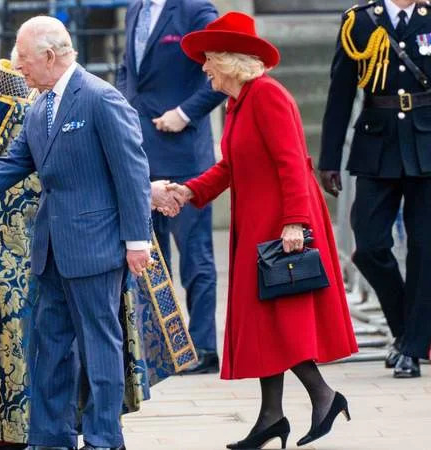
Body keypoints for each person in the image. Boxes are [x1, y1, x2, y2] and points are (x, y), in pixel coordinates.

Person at [0, 52, 198, 450]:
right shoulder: (39, 105)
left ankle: (103, 439)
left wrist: (137, 242)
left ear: (49, 55)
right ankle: (51, 439)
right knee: (52, 349)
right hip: (50, 251)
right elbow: (14, 163)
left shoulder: (100, 97)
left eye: (24, 57)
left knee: (99, 347)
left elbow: (128, 169)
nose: (18, 65)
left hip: (95, 248)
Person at [155, 12, 359, 448]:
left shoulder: (267, 95)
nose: (203, 67)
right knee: (265, 320)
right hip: (259, 223)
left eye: (209, 59)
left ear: (228, 60)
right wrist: (189, 191)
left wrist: (296, 224)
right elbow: (229, 167)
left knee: (281, 320)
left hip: (282, 222)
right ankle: (271, 417)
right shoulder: (238, 103)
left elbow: (291, 162)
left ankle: (323, 396)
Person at [320, 0, 431, 378]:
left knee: (424, 247)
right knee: (367, 245)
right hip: (377, 145)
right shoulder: (360, 20)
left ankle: (412, 349)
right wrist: (329, 158)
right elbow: (341, 90)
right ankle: (408, 331)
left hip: (427, 144)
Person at [117, 0, 226, 374]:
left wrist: (185, 112)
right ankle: (162, 348)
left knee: (194, 256)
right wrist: (122, 108)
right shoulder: (135, 9)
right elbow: (128, 69)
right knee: (149, 257)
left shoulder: (196, 11)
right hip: (142, 157)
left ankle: (204, 347)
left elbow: (227, 70)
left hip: (184, 158)